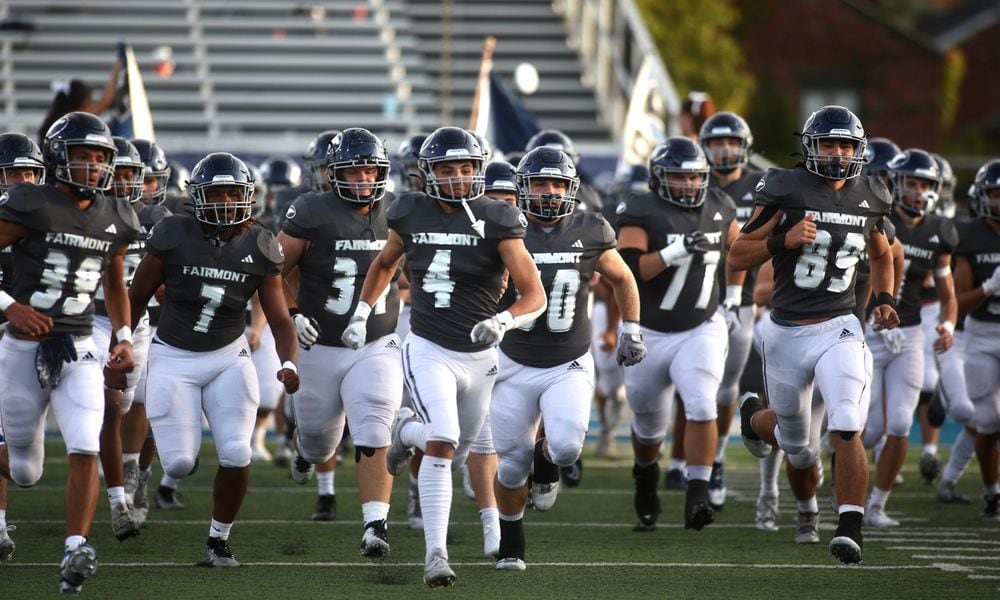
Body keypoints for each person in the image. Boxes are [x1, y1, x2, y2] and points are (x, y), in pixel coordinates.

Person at [344, 126, 545, 587]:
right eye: (448, 168)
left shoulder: (498, 218)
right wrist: (361, 312)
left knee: (456, 450)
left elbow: (534, 294)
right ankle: (436, 553)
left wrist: (504, 322)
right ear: (427, 172)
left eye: (467, 168)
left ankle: (403, 430)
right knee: (445, 438)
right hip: (428, 344)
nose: (458, 177)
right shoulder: (410, 210)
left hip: (481, 353)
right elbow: (384, 263)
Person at [728, 105, 899, 564]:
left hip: (840, 327)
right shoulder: (785, 188)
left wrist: (884, 298)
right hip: (785, 331)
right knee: (796, 446)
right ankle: (753, 419)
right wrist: (781, 241)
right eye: (829, 144)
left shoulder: (872, 194)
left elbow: (884, 253)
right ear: (810, 147)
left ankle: (849, 526)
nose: (838, 154)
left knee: (845, 423)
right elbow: (736, 256)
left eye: (846, 144)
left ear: (859, 149)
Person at [126, 151, 300, 566]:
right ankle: (153, 464)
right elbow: (135, 298)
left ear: (247, 196)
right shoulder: (172, 234)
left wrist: (289, 362)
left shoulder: (261, 243)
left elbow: (279, 317)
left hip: (228, 355)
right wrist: (120, 344)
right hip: (173, 355)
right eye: (216, 193)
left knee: (238, 452)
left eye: (232, 193)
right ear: (197, 196)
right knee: (183, 462)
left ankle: (217, 541)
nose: (225, 201)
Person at [0, 112, 138, 593]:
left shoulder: (117, 215)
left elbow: (115, 282)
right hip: (22, 346)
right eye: (84, 156)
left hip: (79, 343)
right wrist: (10, 306)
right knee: (25, 471)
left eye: (101, 158)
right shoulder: (28, 202)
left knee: (85, 444)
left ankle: (75, 548)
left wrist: (122, 333)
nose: (94, 166)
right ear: (59, 156)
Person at [491, 146, 644, 570]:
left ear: (571, 188)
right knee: (509, 463)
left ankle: (547, 460)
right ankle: (511, 539)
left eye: (557, 183)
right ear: (523, 186)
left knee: (567, 447)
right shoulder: (503, 227)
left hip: (568, 360)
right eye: (540, 182)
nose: (549, 191)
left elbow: (623, 277)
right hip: (513, 360)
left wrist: (630, 326)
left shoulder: (590, 228)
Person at [277, 127, 403, 557]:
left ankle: (375, 526)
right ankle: (304, 451)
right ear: (334, 174)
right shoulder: (310, 210)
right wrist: (294, 315)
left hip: (376, 340)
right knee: (318, 441)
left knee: (374, 422)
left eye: (372, 170)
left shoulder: (399, 211)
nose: (365, 179)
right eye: (355, 171)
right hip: (320, 342)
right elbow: (271, 273)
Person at [616, 136, 741, 533]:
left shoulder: (720, 205)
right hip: (648, 331)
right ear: (658, 178)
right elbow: (630, 269)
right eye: (678, 177)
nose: (688, 185)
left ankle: (698, 492)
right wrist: (677, 250)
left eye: (694, 178)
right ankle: (645, 474)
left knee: (703, 404)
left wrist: (735, 297)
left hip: (701, 325)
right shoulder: (641, 209)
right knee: (649, 425)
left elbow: (739, 251)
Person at [860, 148, 959, 528]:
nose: (918, 192)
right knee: (865, 429)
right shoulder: (874, 219)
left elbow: (948, 297)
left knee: (901, 423)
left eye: (926, 184)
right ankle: (845, 482)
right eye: (912, 183)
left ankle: (877, 505)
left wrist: (947, 325)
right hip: (870, 330)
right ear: (896, 183)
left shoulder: (940, 231)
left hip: (911, 332)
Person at [698, 111, 762, 511]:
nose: (724, 150)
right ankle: (691, 465)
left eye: (731, 142)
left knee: (725, 389)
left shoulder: (763, 186)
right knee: (696, 389)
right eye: (717, 142)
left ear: (745, 147)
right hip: (698, 302)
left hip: (745, 300)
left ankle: (716, 457)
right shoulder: (691, 183)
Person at [91, 137, 148, 540]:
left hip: (138, 323)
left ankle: (124, 467)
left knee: (128, 401)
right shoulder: (84, 212)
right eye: (120, 172)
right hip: (86, 320)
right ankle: (115, 490)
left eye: (132, 174)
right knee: (111, 405)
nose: (125, 181)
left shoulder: (159, 216)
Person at [0, 131, 46, 561]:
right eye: (15, 172)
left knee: (26, 469)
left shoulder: (45, 219)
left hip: (28, 339)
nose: (25, 180)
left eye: (31, 171)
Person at [954, 159, 1000, 521]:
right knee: (987, 420)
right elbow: (958, 302)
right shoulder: (968, 237)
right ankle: (991, 492)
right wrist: (989, 287)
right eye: (995, 195)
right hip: (982, 334)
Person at [37, 58, 122, 146]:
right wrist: (117, 69)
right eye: (89, 103)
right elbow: (106, 101)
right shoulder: (73, 120)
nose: (91, 107)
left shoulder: (59, 122)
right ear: (80, 103)